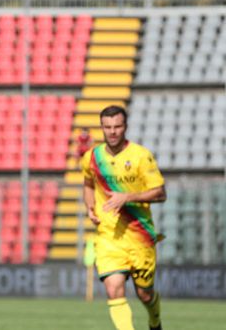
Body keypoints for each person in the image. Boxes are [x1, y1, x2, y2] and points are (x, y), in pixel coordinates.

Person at [80, 105, 166, 330]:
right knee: (114, 288)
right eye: (107, 127)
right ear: (102, 128)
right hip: (109, 238)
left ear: (125, 127)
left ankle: (155, 322)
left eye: (117, 126)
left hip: (140, 237)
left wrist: (127, 197)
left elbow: (160, 193)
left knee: (145, 294)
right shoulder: (92, 157)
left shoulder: (140, 156)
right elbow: (88, 183)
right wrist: (90, 207)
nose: (112, 131)